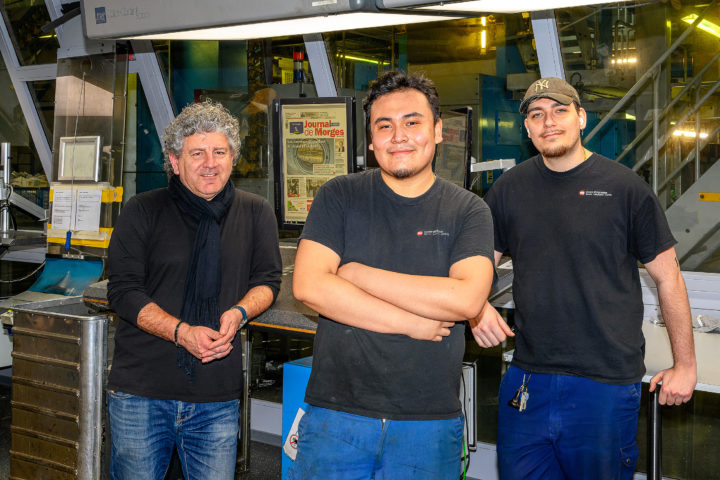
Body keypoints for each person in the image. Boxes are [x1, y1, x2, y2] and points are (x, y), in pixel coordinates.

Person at [471, 77, 697, 480]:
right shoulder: (509, 189)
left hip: (604, 384)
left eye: (559, 111)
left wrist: (686, 365)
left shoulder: (626, 188)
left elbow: (670, 279)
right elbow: (476, 270)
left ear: (581, 117)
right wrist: (476, 307)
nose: (548, 122)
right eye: (536, 115)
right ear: (527, 128)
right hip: (528, 378)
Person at [290, 71, 495, 479]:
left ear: (438, 131)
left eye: (412, 122)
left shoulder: (469, 211)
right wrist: (412, 323)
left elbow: (467, 300)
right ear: (371, 139)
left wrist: (356, 273)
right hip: (336, 416)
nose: (398, 135)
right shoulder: (339, 196)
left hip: (428, 424)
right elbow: (310, 286)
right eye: (384, 126)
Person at [106, 100, 282, 480]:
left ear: (233, 157)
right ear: (174, 161)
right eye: (197, 153)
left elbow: (268, 281)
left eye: (219, 152)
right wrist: (181, 332)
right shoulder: (142, 210)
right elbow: (123, 290)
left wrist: (239, 312)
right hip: (142, 392)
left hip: (216, 394)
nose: (210, 163)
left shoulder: (255, 212)